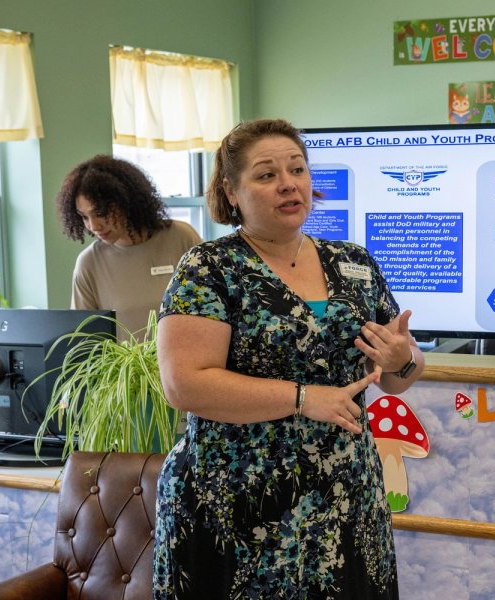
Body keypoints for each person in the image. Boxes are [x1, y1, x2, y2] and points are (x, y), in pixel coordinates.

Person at [153, 118, 424, 599]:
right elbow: (185, 385)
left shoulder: (353, 263)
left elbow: (400, 375)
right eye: (266, 174)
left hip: (346, 501)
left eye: (297, 169)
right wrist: (303, 399)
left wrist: (403, 358)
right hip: (238, 506)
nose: (287, 184)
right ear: (231, 192)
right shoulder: (210, 268)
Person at [55, 155, 201, 338]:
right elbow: (84, 342)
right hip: (120, 368)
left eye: (100, 213)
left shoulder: (182, 238)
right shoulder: (89, 263)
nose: (93, 226)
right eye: (84, 217)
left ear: (126, 201)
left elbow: (213, 310)